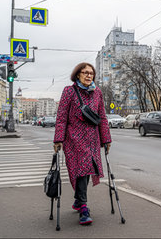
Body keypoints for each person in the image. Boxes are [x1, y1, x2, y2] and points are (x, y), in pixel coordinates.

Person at [53, 62, 112, 226]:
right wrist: (58, 139)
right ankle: (84, 208)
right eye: (85, 72)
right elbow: (62, 117)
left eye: (91, 73)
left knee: (86, 170)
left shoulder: (97, 92)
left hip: (93, 139)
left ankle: (79, 202)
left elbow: (102, 117)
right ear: (77, 74)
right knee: (81, 170)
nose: (88, 76)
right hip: (74, 139)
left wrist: (106, 139)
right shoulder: (69, 91)